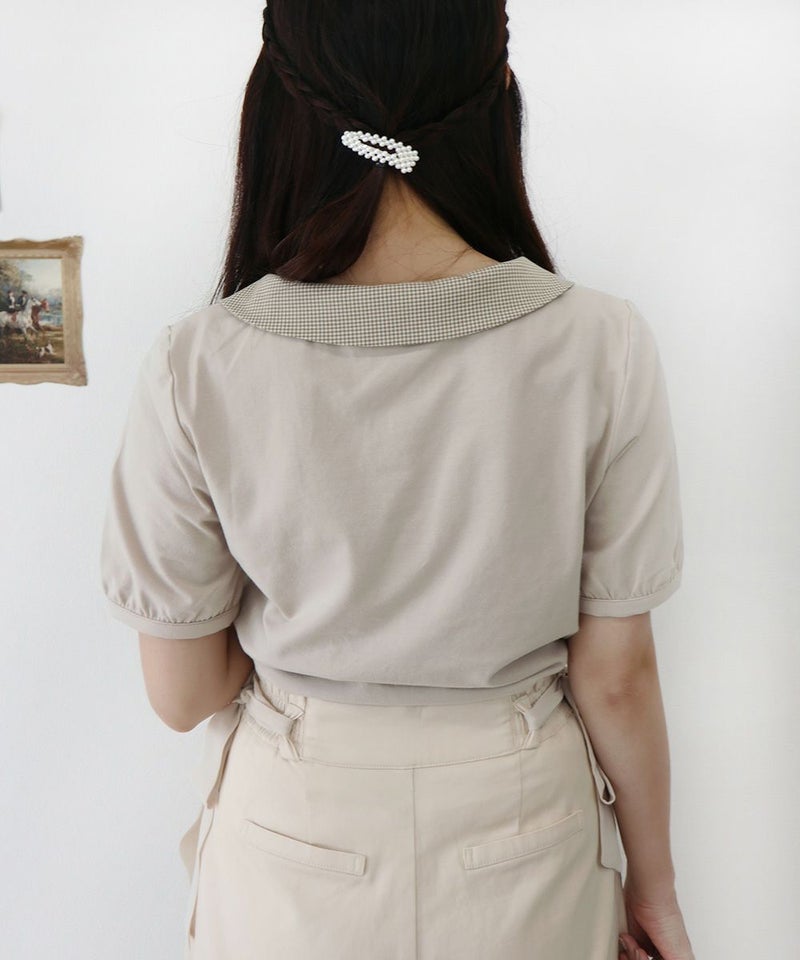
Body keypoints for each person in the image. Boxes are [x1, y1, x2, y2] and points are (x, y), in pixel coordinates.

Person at [99, 3, 696, 959]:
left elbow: (182, 694)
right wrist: (655, 892)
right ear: (499, 99)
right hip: (525, 831)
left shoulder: (196, 363)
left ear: (276, 109)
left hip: (292, 838)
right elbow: (616, 678)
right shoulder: (602, 343)